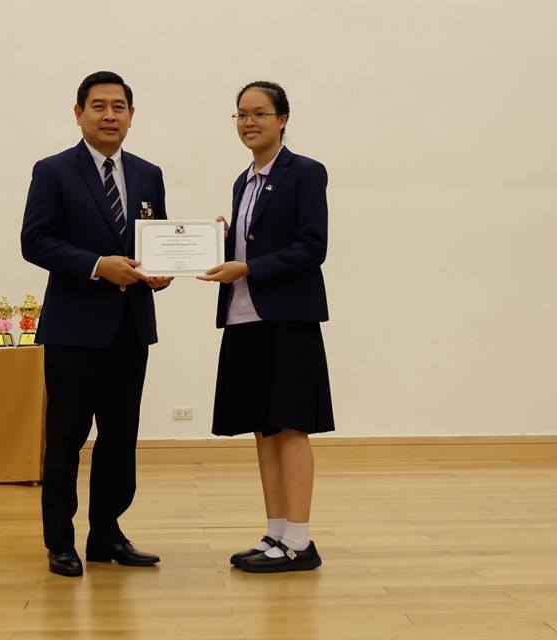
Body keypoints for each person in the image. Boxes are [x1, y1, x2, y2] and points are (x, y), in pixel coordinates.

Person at [21, 70, 172, 577]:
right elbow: (35, 241)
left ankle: (107, 534)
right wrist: (96, 265)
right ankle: (60, 541)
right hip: (74, 330)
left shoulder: (149, 174)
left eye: (119, 107)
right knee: (66, 439)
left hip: (131, 327)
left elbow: (154, 241)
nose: (110, 116)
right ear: (79, 112)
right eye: (99, 106)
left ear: (131, 115)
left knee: (120, 439)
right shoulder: (53, 171)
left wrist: (160, 272)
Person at [198, 80, 334, 573]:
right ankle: (276, 533)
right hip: (244, 317)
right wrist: (223, 241)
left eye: (259, 113)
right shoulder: (244, 181)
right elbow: (258, 241)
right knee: (264, 427)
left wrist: (249, 267)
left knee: (291, 425)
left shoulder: (306, 172)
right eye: (241, 114)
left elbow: (311, 247)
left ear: (282, 119)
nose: (249, 122)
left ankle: (299, 540)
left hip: (287, 316)